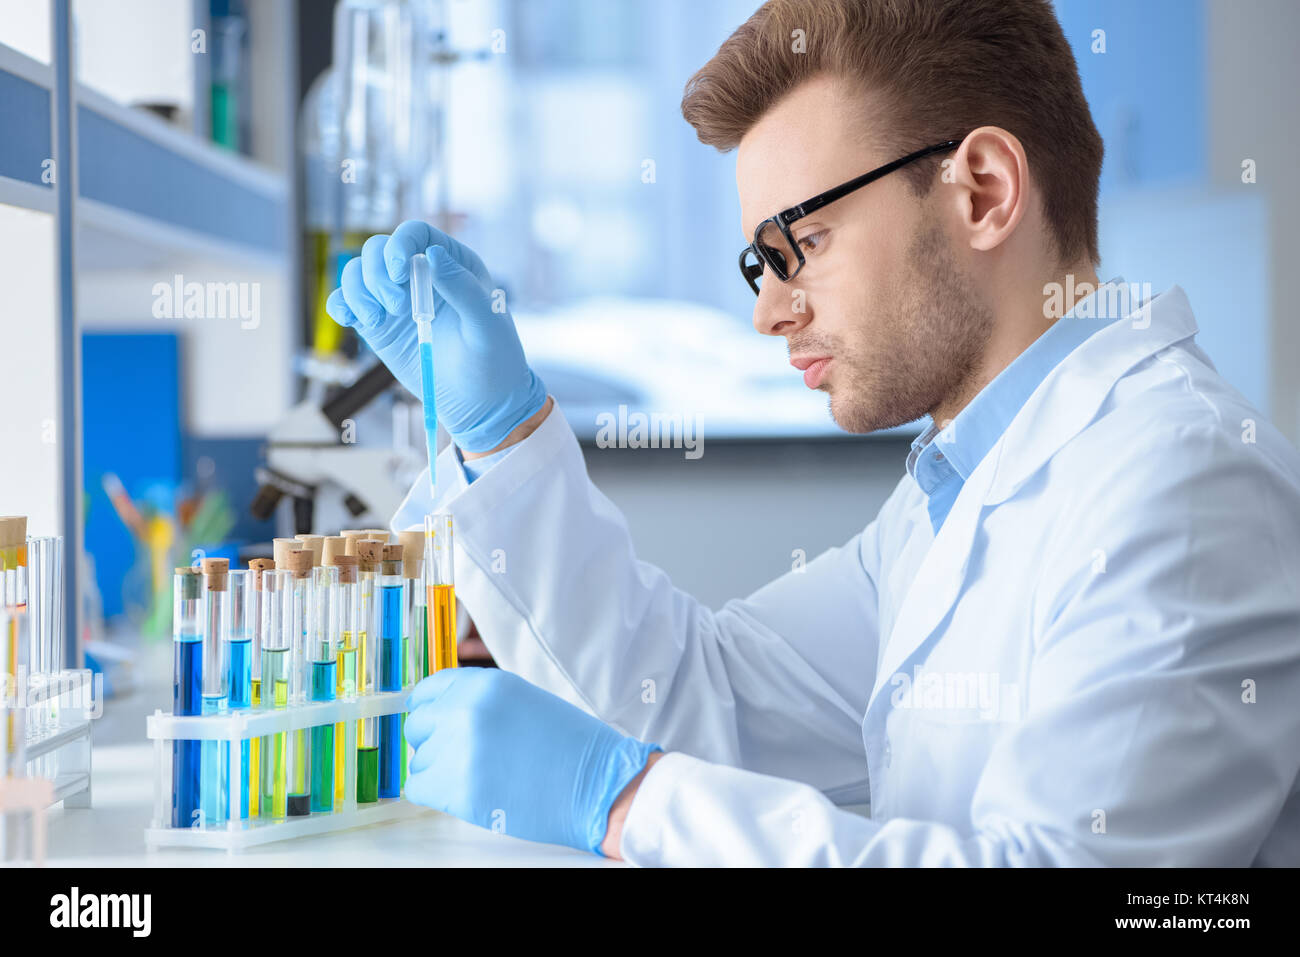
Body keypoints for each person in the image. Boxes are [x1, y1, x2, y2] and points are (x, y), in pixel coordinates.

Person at [326, 0, 1300, 866]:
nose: (770, 311)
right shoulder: (956, 492)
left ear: (984, 191)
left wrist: (622, 801)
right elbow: (698, 696)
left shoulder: (1182, 486)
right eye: (761, 264)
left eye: (801, 245)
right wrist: (504, 433)